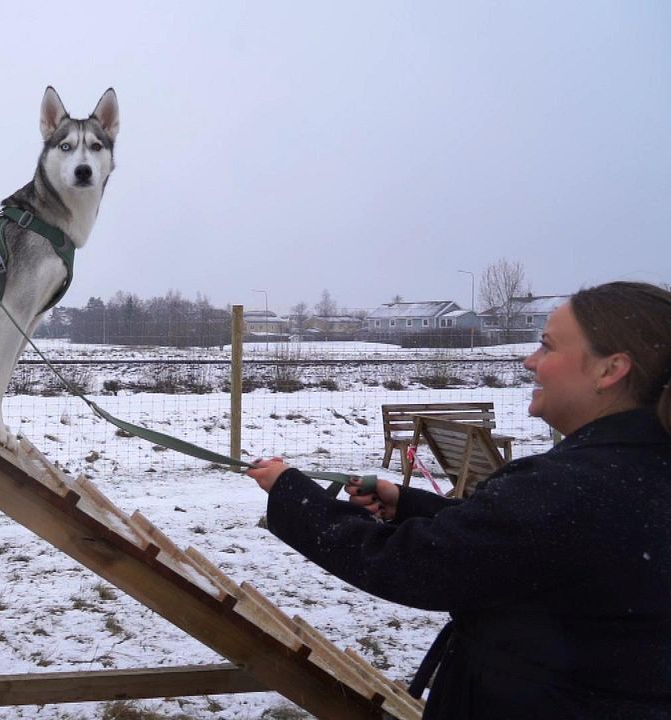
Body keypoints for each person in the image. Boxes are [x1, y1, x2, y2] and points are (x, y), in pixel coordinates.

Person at [246, 281, 671, 719]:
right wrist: (409, 505)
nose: (530, 361)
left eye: (547, 346)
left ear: (610, 369)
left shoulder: (572, 486)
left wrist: (291, 492)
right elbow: (528, 546)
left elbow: (414, 564)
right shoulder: (637, 471)